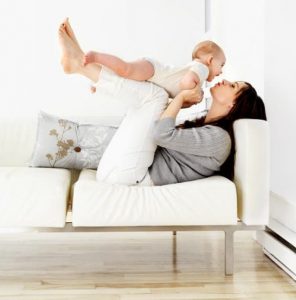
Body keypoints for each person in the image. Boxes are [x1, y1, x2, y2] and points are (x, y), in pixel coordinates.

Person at [58, 19, 267, 186]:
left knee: (157, 95)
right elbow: (156, 128)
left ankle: (82, 65)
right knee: (155, 97)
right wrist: (176, 102)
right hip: (121, 168)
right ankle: (81, 64)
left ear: (233, 106)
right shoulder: (209, 128)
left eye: (232, 87)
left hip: (130, 175)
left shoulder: (220, 139)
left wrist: (180, 98)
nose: (225, 80)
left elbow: (160, 134)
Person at [83, 34, 225, 96]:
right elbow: (185, 84)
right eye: (221, 65)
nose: (221, 72)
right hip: (155, 71)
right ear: (211, 60)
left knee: (124, 81)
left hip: (153, 75)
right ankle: (96, 56)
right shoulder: (202, 69)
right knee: (126, 70)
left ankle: (99, 84)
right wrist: (195, 92)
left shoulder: (198, 68)